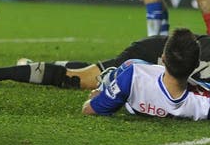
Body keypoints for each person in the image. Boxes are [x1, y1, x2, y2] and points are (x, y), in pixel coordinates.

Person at [0, 34, 210, 91]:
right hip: (153, 54)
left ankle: (32, 64)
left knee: (90, 68)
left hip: (170, 55)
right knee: (82, 79)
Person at [82, 28, 210, 120]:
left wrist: (96, 97)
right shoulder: (205, 102)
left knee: (121, 70)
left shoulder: (134, 74)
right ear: (196, 65)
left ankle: (108, 82)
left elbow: (89, 110)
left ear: (163, 58)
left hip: (127, 82)